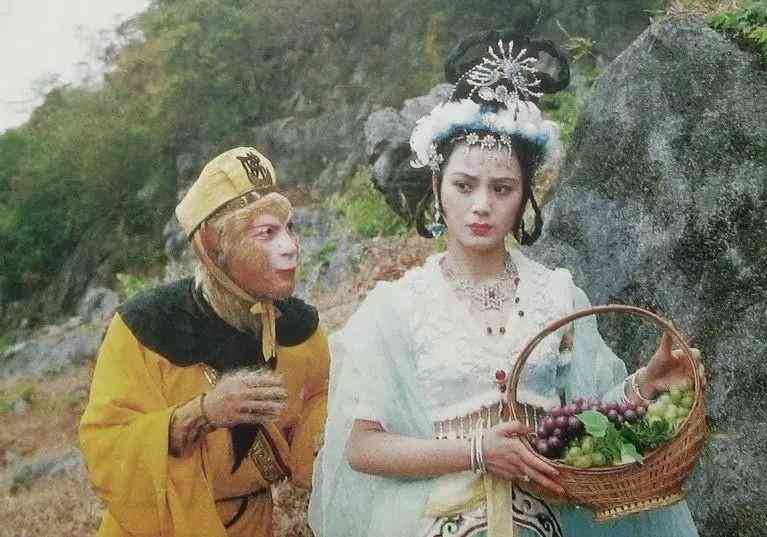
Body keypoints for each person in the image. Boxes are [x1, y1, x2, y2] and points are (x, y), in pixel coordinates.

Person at [309, 38, 702, 537]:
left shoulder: (557, 296)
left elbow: (587, 419)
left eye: (502, 189)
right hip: (437, 519)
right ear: (437, 188)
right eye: (464, 185)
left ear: (523, 198)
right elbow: (363, 448)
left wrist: (645, 385)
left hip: (551, 518)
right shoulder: (394, 308)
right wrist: (477, 451)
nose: (481, 205)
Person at [80, 147, 329, 537]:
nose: (290, 246)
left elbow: (318, 417)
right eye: (267, 232)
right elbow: (107, 447)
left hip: (253, 525)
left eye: (289, 228)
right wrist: (203, 413)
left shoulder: (301, 329)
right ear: (214, 246)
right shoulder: (145, 327)